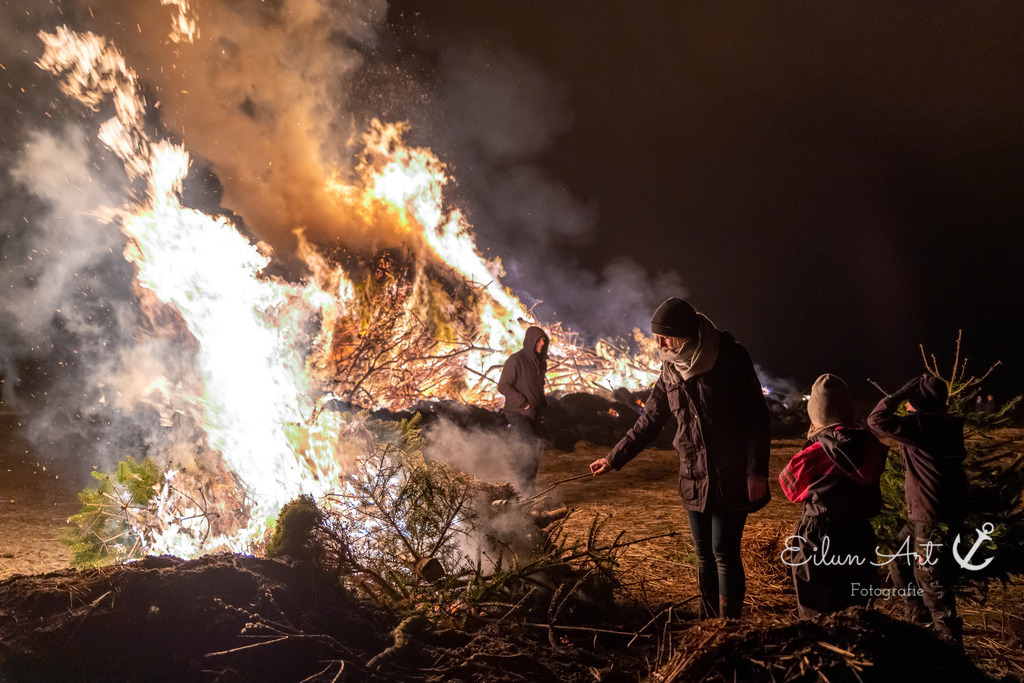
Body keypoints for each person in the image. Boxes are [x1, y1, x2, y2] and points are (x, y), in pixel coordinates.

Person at [590, 298, 770, 619]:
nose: (658, 344)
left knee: (724, 553)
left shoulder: (729, 357)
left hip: (731, 472)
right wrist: (613, 459)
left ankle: (728, 628)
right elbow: (650, 420)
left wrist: (755, 471)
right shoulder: (671, 368)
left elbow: (757, 417)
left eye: (664, 337)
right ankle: (707, 623)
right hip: (693, 474)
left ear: (685, 334)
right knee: (703, 556)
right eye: (656, 336)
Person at [867, 374, 967, 646]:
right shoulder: (946, 424)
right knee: (899, 558)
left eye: (910, 401)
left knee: (930, 575)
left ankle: (948, 641)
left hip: (929, 514)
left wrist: (899, 392)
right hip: (929, 512)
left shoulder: (922, 425)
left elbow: (875, 420)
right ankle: (918, 621)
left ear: (917, 403)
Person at [779, 374, 886, 618]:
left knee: (815, 609)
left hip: (819, 536)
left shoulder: (814, 454)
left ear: (815, 416)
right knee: (857, 610)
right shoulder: (871, 445)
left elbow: (789, 488)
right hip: (860, 536)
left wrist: (810, 444)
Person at [498, 326, 550, 493]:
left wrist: (542, 408)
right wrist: (524, 403)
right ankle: (523, 490)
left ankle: (522, 491)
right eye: (540, 339)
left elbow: (539, 388)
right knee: (530, 447)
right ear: (531, 340)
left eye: (544, 340)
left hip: (533, 414)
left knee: (530, 451)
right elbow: (503, 386)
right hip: (518, 413)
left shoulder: (541, 363)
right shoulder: (516, 360)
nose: (543, 342)